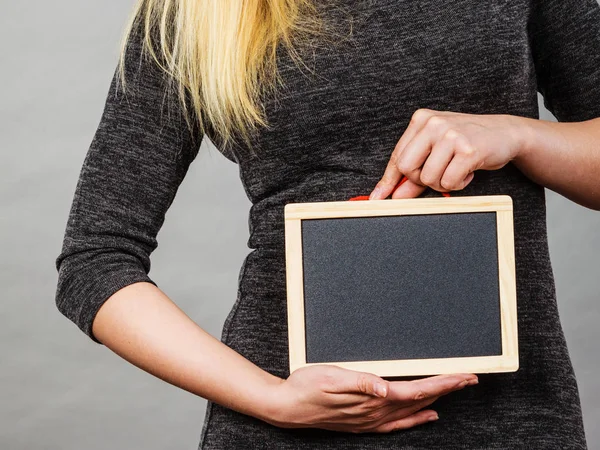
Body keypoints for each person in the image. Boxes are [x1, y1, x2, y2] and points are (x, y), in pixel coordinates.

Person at [54, 0, 600, 448]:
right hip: (287, 424)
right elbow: (93, 261)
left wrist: (521, 136)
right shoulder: (193, 13)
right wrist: (273, 399)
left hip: (512, 420)